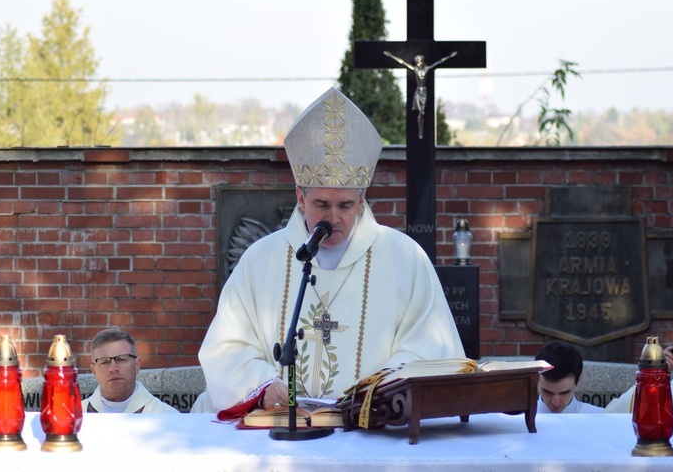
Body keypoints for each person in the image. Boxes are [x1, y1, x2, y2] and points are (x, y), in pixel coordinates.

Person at [193, 87, 465, 416]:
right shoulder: (260, 260)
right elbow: (227, 347)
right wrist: (262, 385)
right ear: (300, 196)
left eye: (346, 205)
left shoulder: (405, 258)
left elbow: (430, 348)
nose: (333, 218)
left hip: (373, 434)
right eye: (321, 204)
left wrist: (378, 391)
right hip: (279, 431)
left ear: (362, 199)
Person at [82, 328, 179, 414]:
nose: (113, 368)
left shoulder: (168, 416)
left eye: (122, 359)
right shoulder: (75, 415)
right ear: (94, 371)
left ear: (136, 365)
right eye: (104, 362)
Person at [383, 50, 457, 140]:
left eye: (419, 61)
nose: (418, 63)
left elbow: (439, 62)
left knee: (422, 112)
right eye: (416, 61)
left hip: (424, 92)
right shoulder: (415, 70)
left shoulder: (426, 69)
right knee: (419, 112)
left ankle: (421, 131)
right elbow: (402, 62)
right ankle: (420, 131)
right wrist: (390, 55)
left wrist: (450, 56)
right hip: (417, 92)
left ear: (422, 61)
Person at [534, 340, 603, 414]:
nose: (555, 403)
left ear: (578, 380)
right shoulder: (520, 419)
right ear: (535, 379)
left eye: (564, 393)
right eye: (547, 392)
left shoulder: (602, 418)